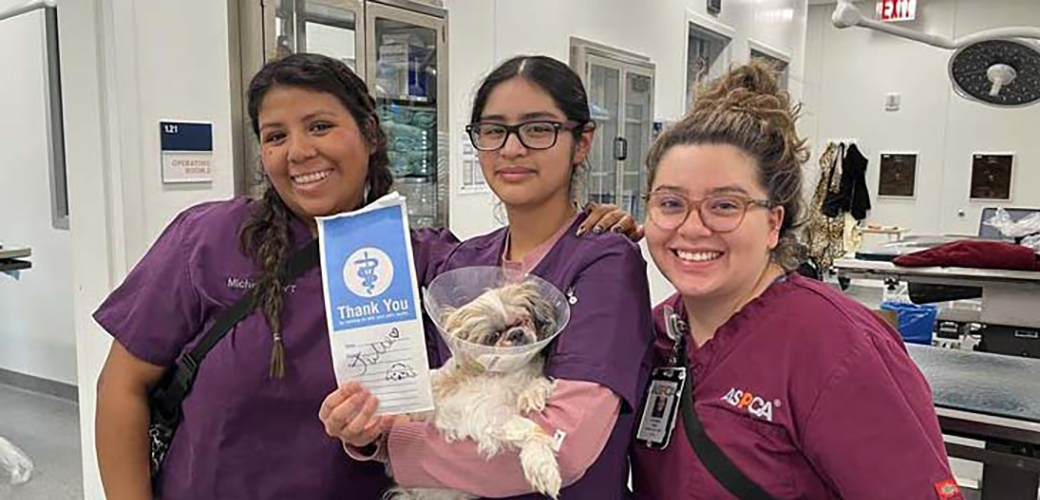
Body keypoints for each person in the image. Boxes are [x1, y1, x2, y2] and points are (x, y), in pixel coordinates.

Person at [93, 53, 635, 500]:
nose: (299, 151)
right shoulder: (210, 240)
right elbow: (122, 386)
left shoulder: (429, 260)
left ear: (370, 134)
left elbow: (526, 284)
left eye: (320, 126)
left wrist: (602, 228)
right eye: (275, 136)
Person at [320, 55, 654, 499]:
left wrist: (397, 445)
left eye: (539, 128)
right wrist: (366, 429)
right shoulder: (463, 263)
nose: (512, 149)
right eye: (494, 131)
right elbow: (429, 401)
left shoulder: (605, 263)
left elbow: (564, 449)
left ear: (582, 142)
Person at [629, 62, 958, 499]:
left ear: (773, 223)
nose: (691, 228)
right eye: (670, 203)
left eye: (725, 206)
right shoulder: (654, 335)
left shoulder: (838, 348)